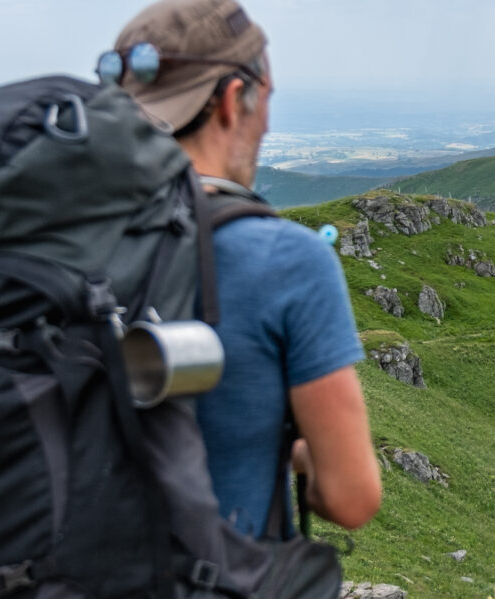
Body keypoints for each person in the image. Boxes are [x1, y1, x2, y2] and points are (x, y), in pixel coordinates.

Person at [112, 0, 382, 538]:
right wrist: (286, 448)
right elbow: (351, 498)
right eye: (268, 99)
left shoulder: (55, 241)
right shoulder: (289, 261)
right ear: (235, 101)